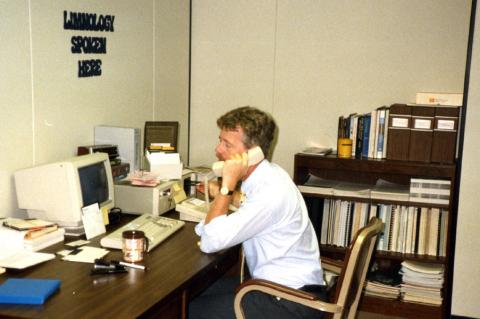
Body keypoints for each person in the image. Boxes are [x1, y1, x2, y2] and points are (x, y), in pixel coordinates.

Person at [189, 106, 326, 319]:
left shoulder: (270, 193)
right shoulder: (271, 175)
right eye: (220, 141)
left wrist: (226, 186)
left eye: (227, 144)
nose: (218, 150)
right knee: (190, 295)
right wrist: (228, 195)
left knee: (183, 310)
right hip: (282, 287)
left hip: (289, 301)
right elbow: (208, 231)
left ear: (253, 153)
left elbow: (209, 241)